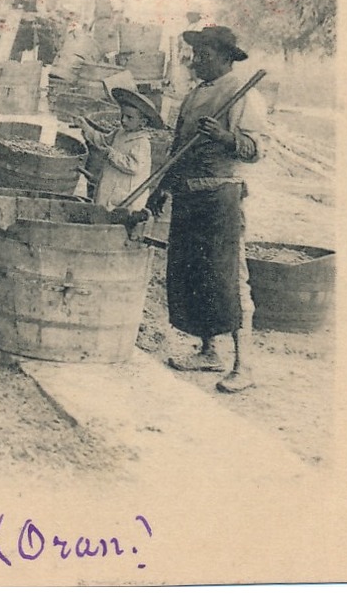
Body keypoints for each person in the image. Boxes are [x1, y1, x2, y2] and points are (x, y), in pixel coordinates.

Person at [146, 25, 265, 394]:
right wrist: (161, 188)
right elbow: (178, 148)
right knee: (194, 277)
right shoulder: (194, 95)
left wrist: (226, 138)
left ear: (226, 57)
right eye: (194, 54)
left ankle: (243, 365)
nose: (196, 61)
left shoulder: (244, 94)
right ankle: (208, 351)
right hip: (188, 194)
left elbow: (258, 149)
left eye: (204, 55)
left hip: (220, 196)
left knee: (228, 277)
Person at [81, 86, 165, 210]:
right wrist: (86, 128)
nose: (123, 120)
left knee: (117, 215)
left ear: (142, 123)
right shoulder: (119, 133)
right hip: (110, 184)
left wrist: (111, 154)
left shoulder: (142, 142)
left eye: (129, 118)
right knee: (102, 210)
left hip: (125, 192)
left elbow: (134, 166)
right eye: (122, 116)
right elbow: (102, 141)